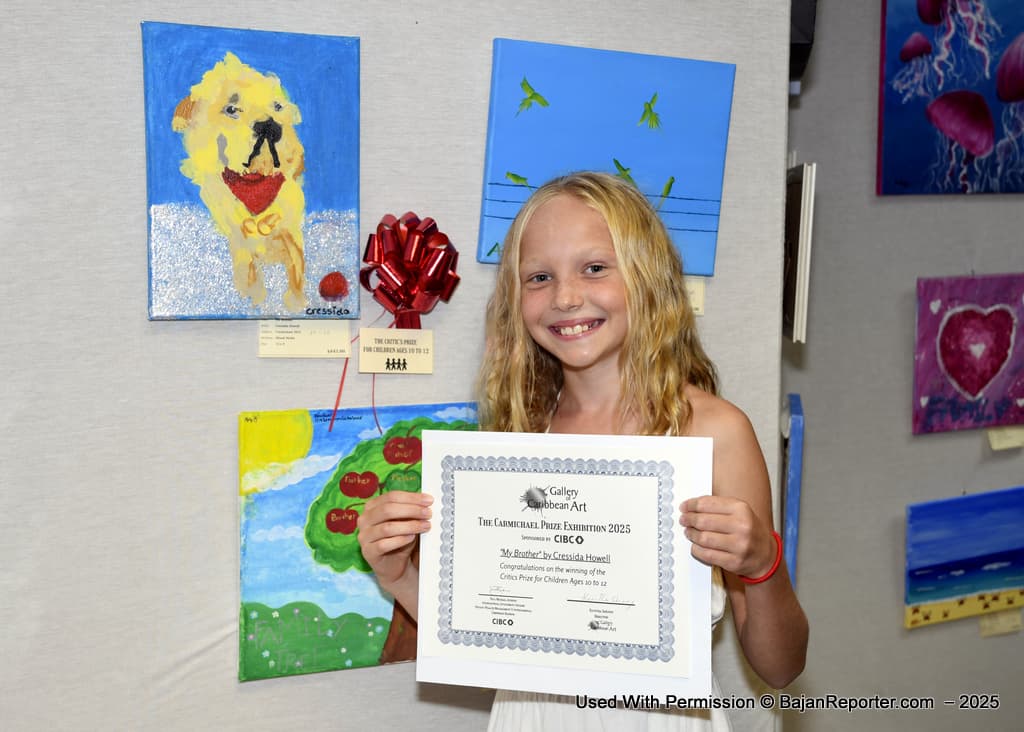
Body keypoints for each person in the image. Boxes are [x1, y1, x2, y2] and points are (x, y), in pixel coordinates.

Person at [358, 171, 808, 730]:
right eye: (539, 277)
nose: (566, 297)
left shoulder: (715, 433)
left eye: (594, 268)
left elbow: (782, 667)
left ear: (647, 277)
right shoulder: (516, 439)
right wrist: (396, 573)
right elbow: (491, 637)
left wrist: (763, 565)